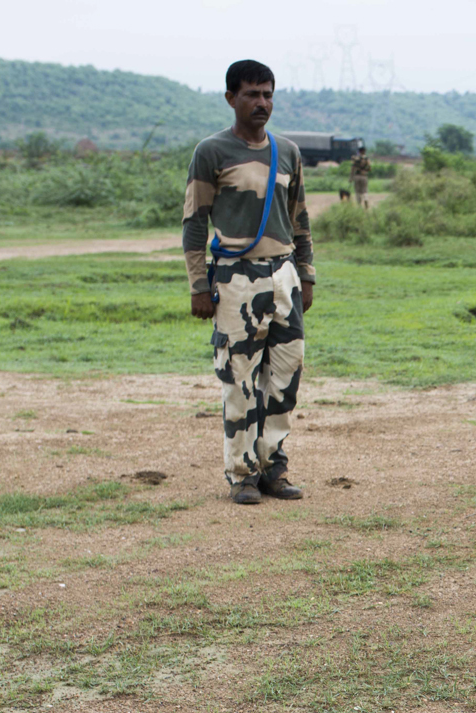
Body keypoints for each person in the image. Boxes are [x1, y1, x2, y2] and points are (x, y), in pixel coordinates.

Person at [182, 58, 314, 505]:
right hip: (236, 279)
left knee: (284, 375)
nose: (262, 103)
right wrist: (200, 285)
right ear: (230, 98)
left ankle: (273, 468)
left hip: (284, 277)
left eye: (268, 94)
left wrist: (307, 276)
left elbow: (300, 221)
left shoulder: (288, 152)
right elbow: (194, 223)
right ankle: (241, 474)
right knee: (239, 377)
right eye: (252, 94)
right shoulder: (212, 152)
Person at [350, 144, 372, 209]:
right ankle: (365, 200)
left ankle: (359, 205)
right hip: (364, 176)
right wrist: (365, 171)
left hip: (357, 176)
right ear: (364, 151)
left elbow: (352, 169)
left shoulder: (355, 159)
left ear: (359, 151)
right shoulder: (366, 159)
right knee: (364, 191)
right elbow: (370, 168)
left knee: (357, 191)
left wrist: (351, 178)